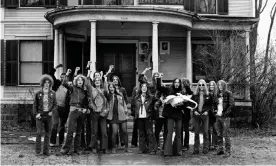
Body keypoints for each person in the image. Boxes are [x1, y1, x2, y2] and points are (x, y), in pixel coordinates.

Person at [57, 71, 90, 155]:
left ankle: (77, 148)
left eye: (81, 80)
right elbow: (64, 83)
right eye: (78, 80)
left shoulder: (84, 91)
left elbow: (86, 102)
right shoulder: (72, 88)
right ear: (76, 81)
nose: (80, 81)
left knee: (79, 131)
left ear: (83, 82)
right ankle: (65, 149)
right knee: (70, 131)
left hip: (81, 112)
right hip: (73, 111)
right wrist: (67, 74)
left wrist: (86, 109)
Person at [157, 77, 184, 156]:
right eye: (175, 82)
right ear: (173, 83)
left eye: (178, 82)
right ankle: (167, 152)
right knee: (169, 133)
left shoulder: (182, 92)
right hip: (170, 115)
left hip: (178, 114)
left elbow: (185, 104)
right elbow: (159, 87)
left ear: (180, 84)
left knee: (179, 133)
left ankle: (178, 151)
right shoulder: (169, 90)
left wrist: (181, 104)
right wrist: (159, 77)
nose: (176, 83)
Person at [33, 74, 57, 156]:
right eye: (45, 82)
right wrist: (36, 114)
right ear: (42, 83)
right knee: (39, 133)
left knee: (48, 133)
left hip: (49, 116)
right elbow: (35, 105)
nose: (47, 84)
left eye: (48, 82)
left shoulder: (53, 93)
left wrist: (52, 111)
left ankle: (46, 151)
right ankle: (38, 151)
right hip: (40, 115)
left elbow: (55, 105)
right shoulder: (38, 93)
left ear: (50, 84)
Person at [105, 80, 132, 153]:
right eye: (110, 87)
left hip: (122, 115)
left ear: (115, 88)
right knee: (114, 132)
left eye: (112, 87)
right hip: (113, 117)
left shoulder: (120, 95)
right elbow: (105, 90)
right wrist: (105, 78)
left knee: (125, 131)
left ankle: (127, 147)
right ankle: (113, 148)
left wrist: (126, 111)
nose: (111, 88)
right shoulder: (108, 96)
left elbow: (124, 104)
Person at [87, 68, 109, 154]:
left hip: (102, 113)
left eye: (99, 80)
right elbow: (87, 83)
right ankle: (94, 147)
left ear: (101, 82)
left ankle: (104, 148)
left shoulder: (103, 90)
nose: (97, 81)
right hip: (94, 113)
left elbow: (108, 97)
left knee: (104, 131)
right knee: (94, 131)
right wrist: (88, 74)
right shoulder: (92, 89)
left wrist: (106, 79)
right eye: (96, 80)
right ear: (94, 82)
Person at [133, 83, 157, 154]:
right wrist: (135, 114)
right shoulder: (136, 97)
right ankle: (142, 149)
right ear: (140, 88)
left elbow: (159, 101)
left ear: (147, 88)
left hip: (148, 117)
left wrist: (155, 106)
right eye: (142, 86)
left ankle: (152, 149)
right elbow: (133, 106)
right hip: (140, 118)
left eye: (145, 86)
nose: (144, 88)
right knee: (141, 133)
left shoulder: (151, 97)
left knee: (150, 133)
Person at [191, 79, 213, 154]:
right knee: (196, 132)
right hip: (197, 115)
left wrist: (207, 111)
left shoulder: (208, 94)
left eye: (203, 85)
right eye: (199, 85)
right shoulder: (194, 94)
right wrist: (194, 111)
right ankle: (196, 149)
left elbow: (211, 105)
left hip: (205, 115)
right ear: (198, 85)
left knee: (205, 132)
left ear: (205, 85)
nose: (201, 86)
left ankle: (206, 148)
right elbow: (191, 104)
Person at [50, 70, 71, 147]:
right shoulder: (57, 84)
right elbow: (50, 74)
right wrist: (55, 68)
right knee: (55, 123)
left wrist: (67, 75)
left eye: (64, 77)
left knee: (62, 125)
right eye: (61, 77)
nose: (62, 79)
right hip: (56, 107)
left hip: (64, 108)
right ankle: (52, 141)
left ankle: (61, 142)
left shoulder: (68, 87)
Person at [215, 80, 234, 157]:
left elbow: (231, 105)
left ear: (224, 85)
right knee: (219, 133)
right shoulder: (216, 94)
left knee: (225, 134)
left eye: (221, 85)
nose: (220, 86)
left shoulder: (228, 93)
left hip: (225, 117)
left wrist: (225, 114)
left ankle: (228, 151)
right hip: (218, 116)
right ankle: (220, 149)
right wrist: (214, 111)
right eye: (218, 85)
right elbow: (214, 104)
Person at [180, 77, 194, 151]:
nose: (184, 84)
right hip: (180, 112)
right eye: (183, 83)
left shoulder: (189, 93)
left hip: (186, 112)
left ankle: (186, 145)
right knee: (180, 129)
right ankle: (181, 144)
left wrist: (187, 87)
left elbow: (191, 95)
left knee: (186, 129)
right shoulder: (179, 92)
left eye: (186, 83)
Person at [208, 81, 218, 151]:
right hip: (208, 113)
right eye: (210, 85)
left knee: (215, 129)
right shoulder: (207, 94)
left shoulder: (217, 94)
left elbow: (218, 104)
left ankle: (215, 144)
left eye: (213, 85)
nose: (211, 87)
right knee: (208, 130)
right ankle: (208, 145)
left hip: (214, 113)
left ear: (215, 86)